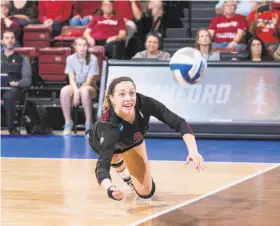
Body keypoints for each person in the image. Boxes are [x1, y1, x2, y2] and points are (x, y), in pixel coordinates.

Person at [85, 77, 205, 201]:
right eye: (122, 94)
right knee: (113, 157)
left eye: (132, 93)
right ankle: (126, 176)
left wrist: (193, 151)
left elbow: (179, 122)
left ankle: (128, 172)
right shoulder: (109, 127)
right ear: (112, 98)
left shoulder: (144, 103)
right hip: (102, 142)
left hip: (133, 141)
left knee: (146, 192)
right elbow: (102, 167)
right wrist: (110, 189)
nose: (128, 98)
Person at [60, 37, 99, 135]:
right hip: (75, 86)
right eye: (79, 45)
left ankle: (89, 124)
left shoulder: (93, 59)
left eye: (84, 45)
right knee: (64, 90)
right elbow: (71, 78)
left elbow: (89, 81)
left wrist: (79, 91)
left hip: (90, 87)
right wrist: (76, 91)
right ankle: (68, 123)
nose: (82, 47)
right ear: (75, 47)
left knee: (85, 91)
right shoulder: (70, 59)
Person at [1, 30, 32, 135]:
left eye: (12, 38)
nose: (10, 40)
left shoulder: (23, 59)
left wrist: (15, 83)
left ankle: (13, 129)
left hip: (15, 90)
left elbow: (27, 81)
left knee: (9, 96)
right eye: (7, 38)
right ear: (1, 41)